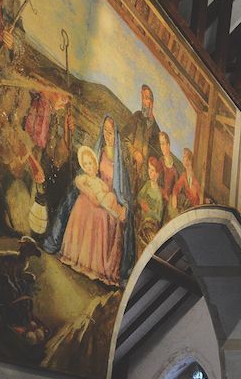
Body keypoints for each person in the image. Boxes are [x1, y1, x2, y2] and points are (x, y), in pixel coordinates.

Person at [45, 116, 133, 286]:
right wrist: (88, 190)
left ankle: (99, 268)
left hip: (109, 198)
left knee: (106, 215)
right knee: (82, 205)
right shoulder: (97, 151)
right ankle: (78, 258)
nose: (108, 135)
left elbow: (122, 192)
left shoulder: (120, 163)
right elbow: (84, 173)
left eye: (111, 132)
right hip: (94, 193)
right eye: (106, 131)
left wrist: (122, 206)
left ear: (116, 134)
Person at [129, 84, 162, 177]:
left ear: (151, 103)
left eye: (146, 98)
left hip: (145, 177)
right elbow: (125, 140)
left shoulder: (156, 131)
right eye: (142, 97)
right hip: (131, 170)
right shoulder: (136, 117)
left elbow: (157, 159)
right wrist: (134, 152)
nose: (143, 101)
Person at [134, 156, 166, 250]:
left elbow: (159, 217)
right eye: (149, 168)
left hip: (152, 223)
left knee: (150, 238)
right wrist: (141, 202)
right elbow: (139, 196)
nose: (149, 172)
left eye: (152, 170)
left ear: (157, 174)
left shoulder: (159, 194)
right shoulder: (147, 184)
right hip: (143, 219)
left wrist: (149, 211)